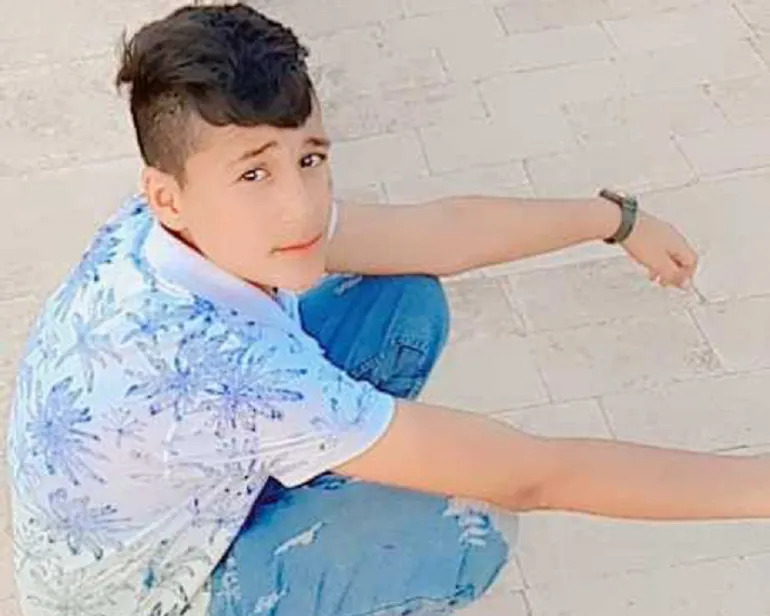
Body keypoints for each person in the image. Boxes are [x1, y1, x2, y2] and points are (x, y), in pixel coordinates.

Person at [6, 3, 767, 616]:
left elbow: (436, 234)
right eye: (254, 175)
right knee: (462, 527)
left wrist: (613, 220)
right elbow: (534, 476)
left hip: (160, 502)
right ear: (167, 194)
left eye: (309, 158)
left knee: (402, 296)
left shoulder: (166, 224)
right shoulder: (236, 373)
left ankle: (321, 471)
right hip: (152, 596)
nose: (300, 204)